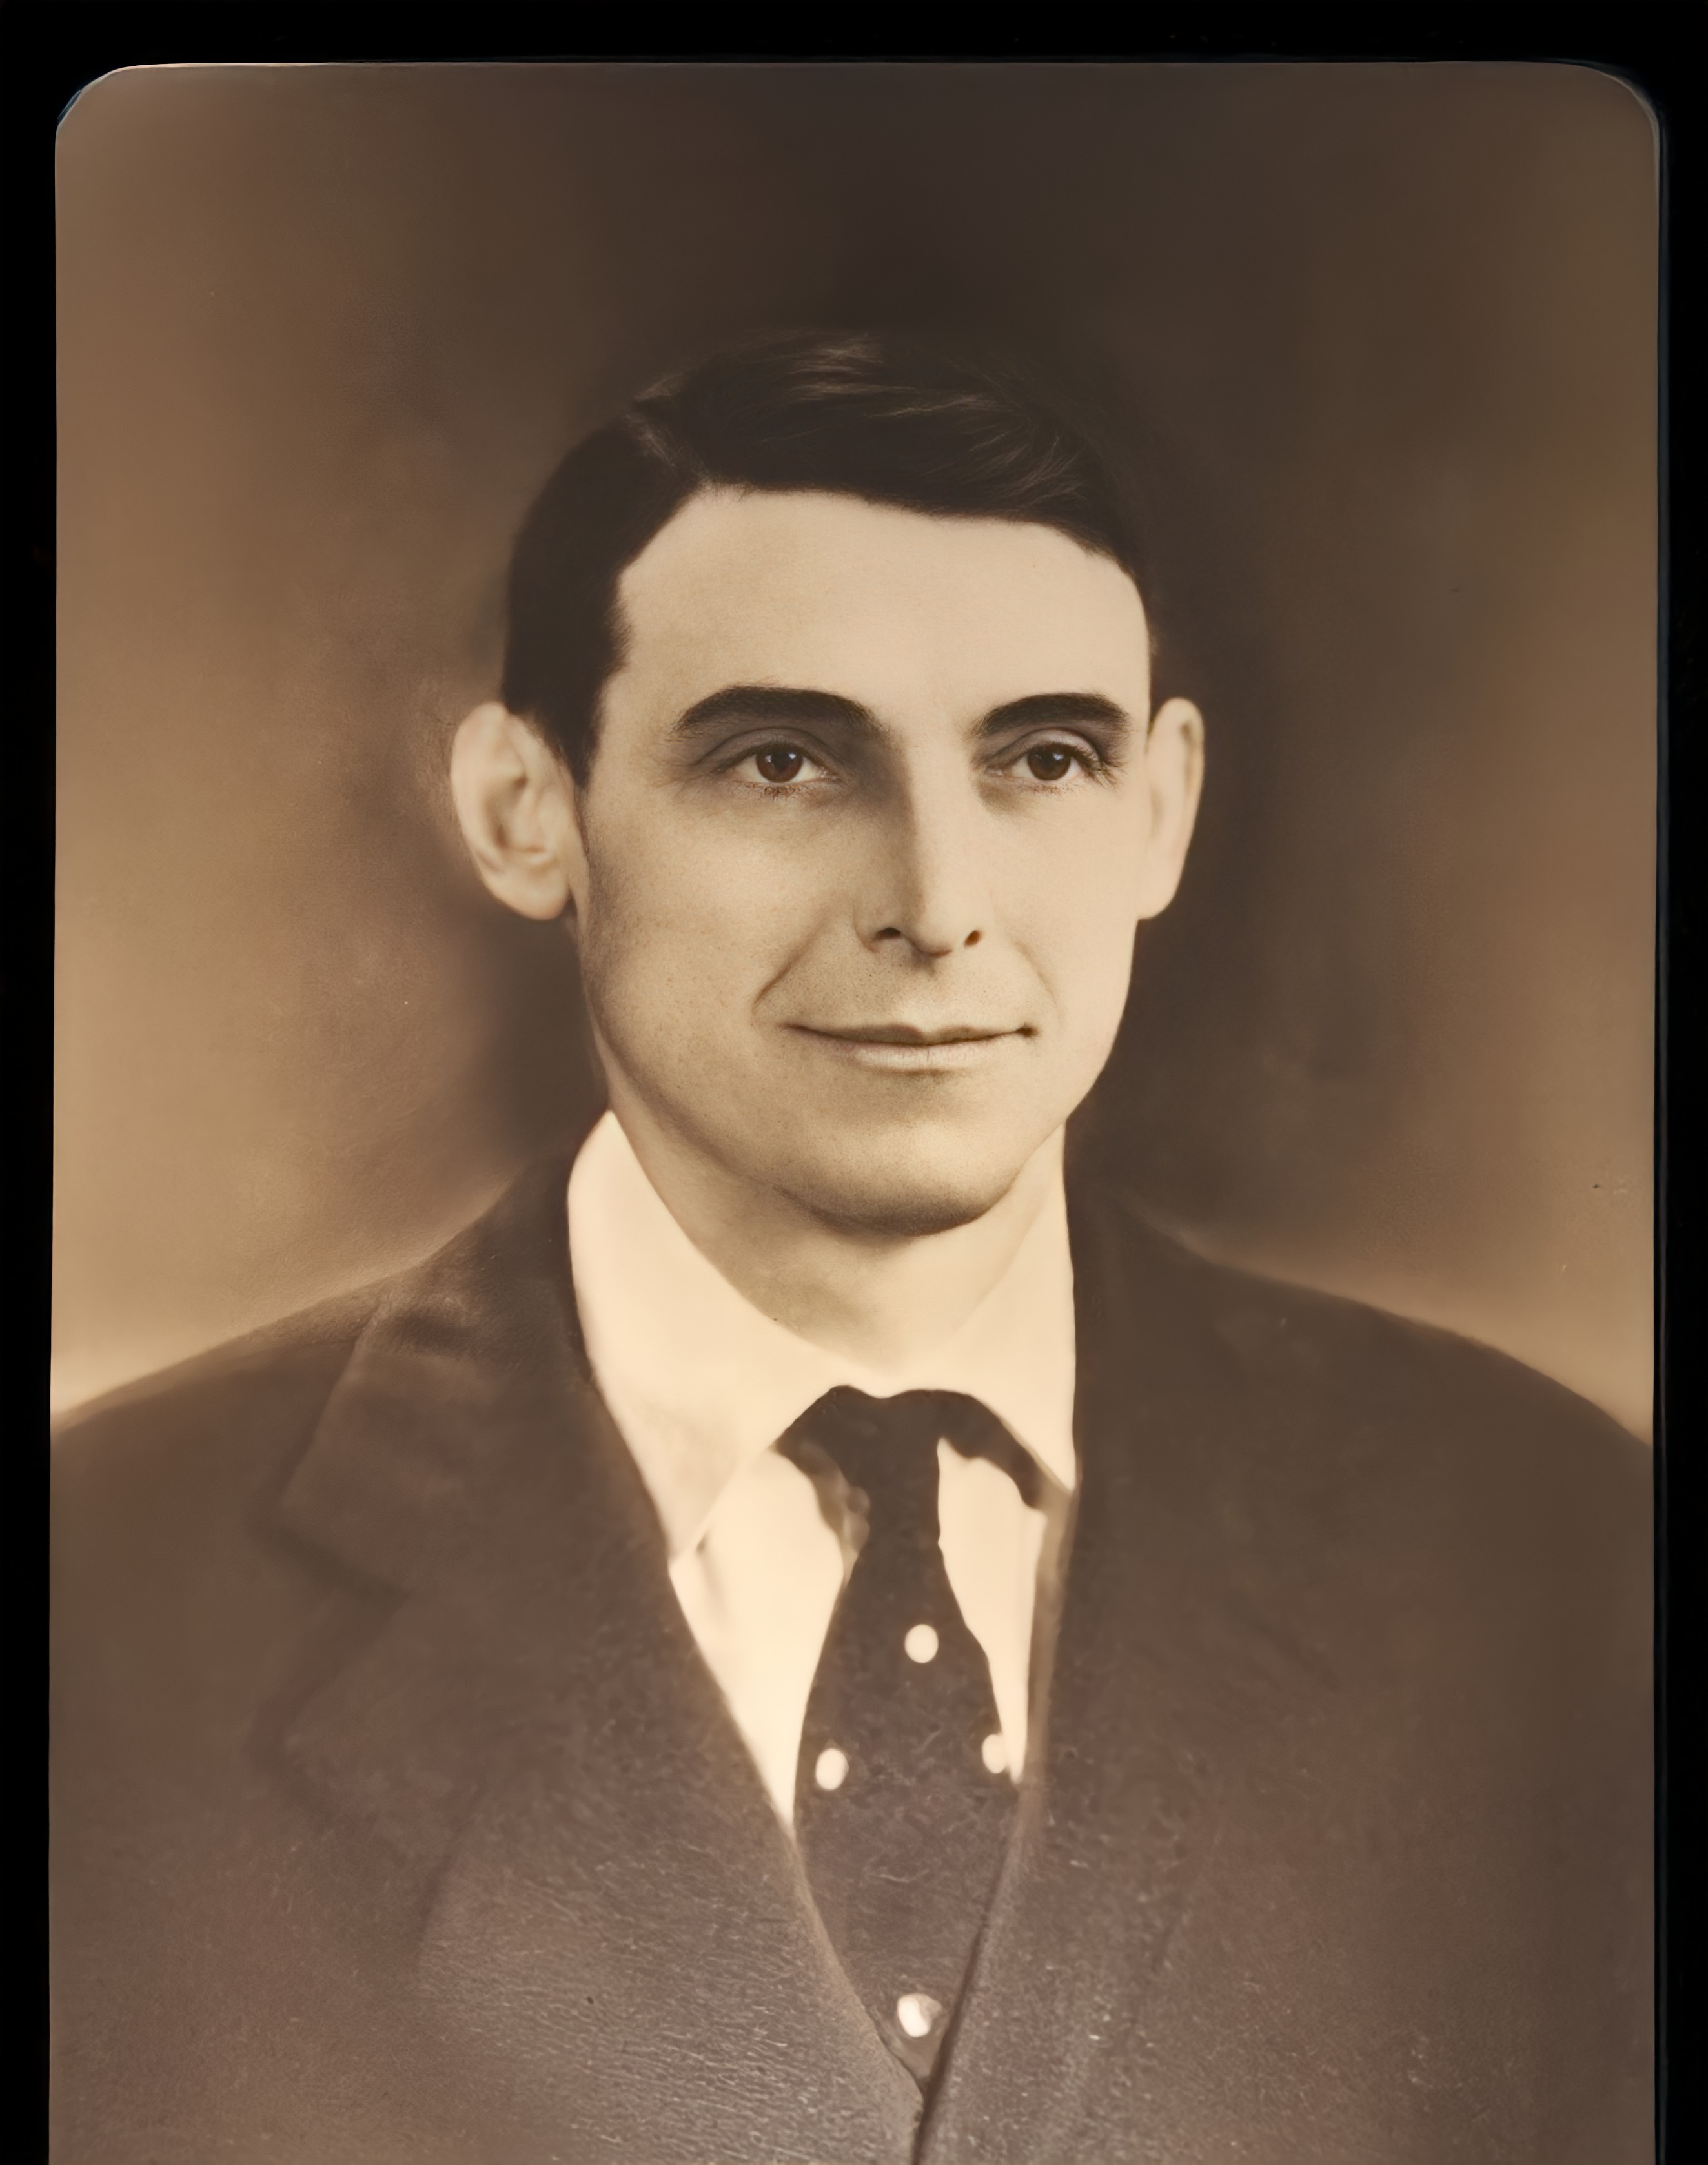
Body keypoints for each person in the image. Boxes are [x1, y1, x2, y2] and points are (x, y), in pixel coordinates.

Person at [50, 330, 1651, 2165]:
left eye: (1044, 758)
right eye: (786, 761)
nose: (940, 908)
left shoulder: (1553, 1554)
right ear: (525, 810)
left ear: (1162, 812)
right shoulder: (106, 1595)